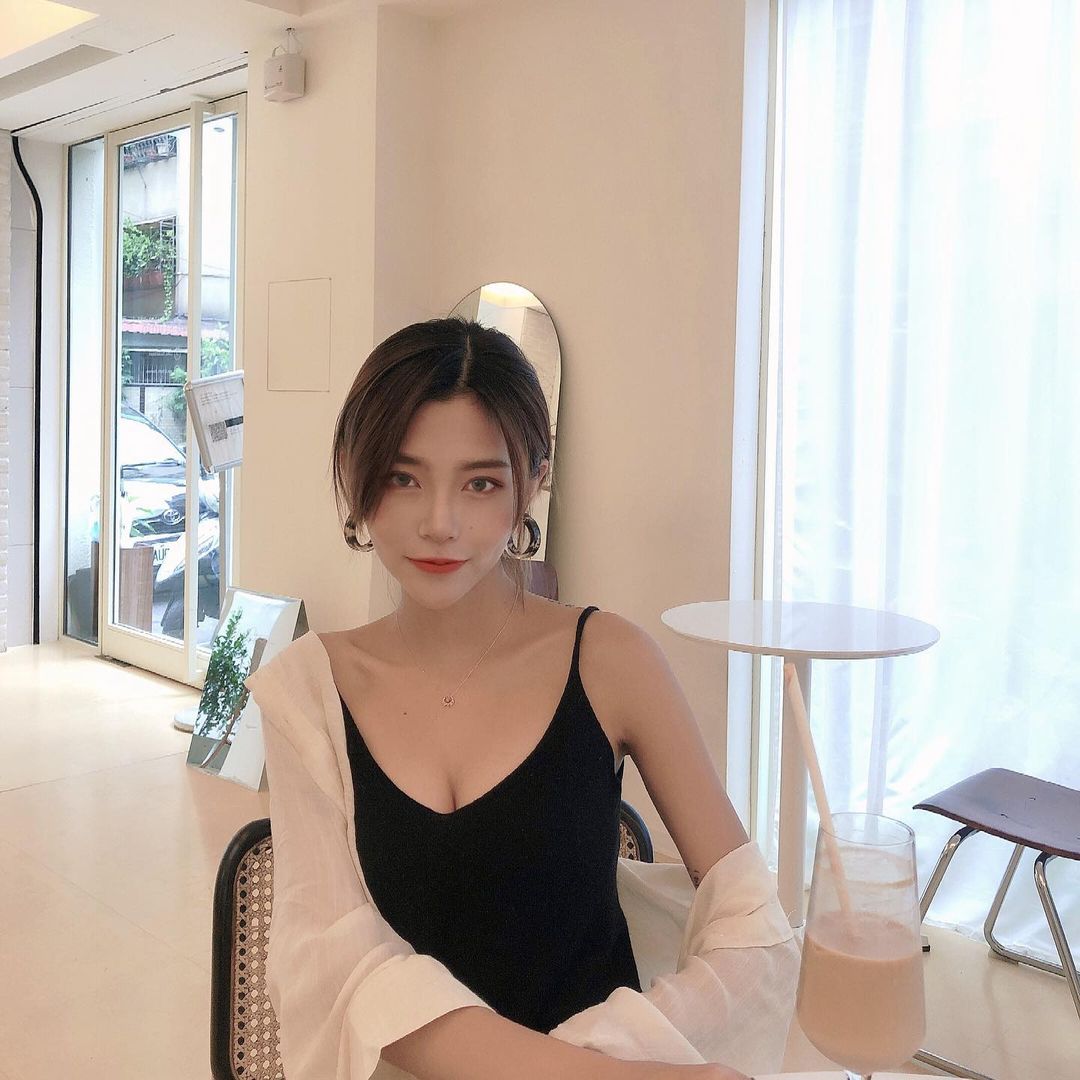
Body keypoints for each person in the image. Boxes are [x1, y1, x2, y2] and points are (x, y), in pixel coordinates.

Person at [243, 318, 799, 1080]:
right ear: (354, 472)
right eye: (403, 478)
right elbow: (343, 967)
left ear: (532, 482)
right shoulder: (308, 692)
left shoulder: (612, 661)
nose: (439, 523)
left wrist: (625, 1045)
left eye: (481, 483)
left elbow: (752, 923)